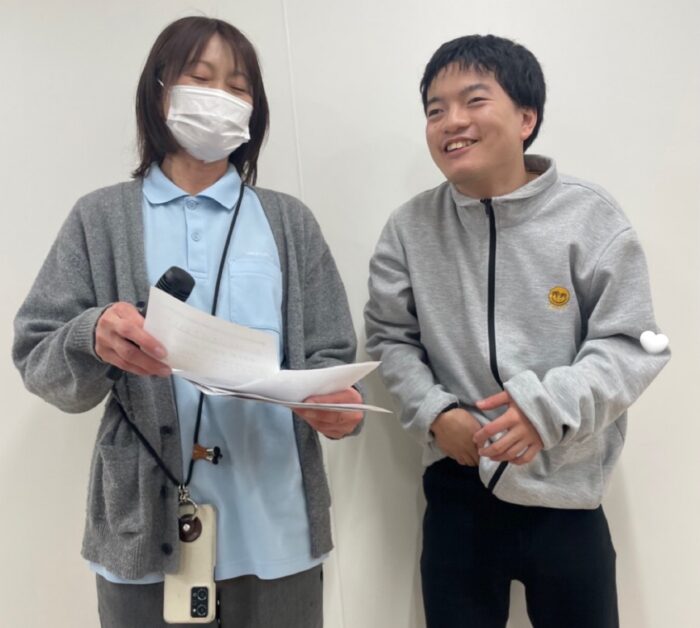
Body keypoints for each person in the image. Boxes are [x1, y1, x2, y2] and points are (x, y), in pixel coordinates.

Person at [13, 16, 363, 628]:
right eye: (200, 78)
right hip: (143, 527)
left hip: (276, 523)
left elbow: (332, 357)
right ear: (159, 91)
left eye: (239, 86)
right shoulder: (100, 218)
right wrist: (92, 335)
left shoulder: (289, 221)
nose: (220, 96)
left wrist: (337, 408)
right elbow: (37, 356)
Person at [364, 34, 669, 628]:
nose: (452, 121)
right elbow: (388, 337)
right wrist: (435, 412)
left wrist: (544, 411)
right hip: (458, 492)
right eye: (435, 109)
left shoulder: (590, 215)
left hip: (568, 493)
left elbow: (633, 343)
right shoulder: (409, 228)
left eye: (474, 100)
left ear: (526, 118)